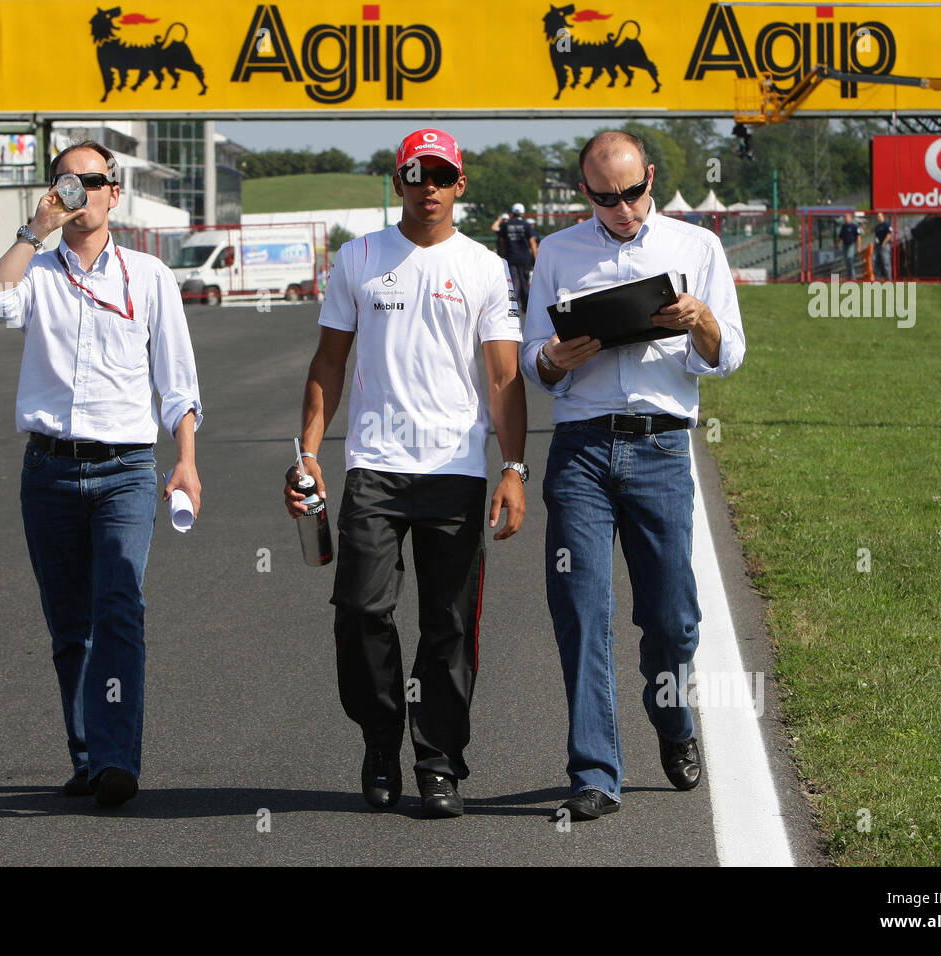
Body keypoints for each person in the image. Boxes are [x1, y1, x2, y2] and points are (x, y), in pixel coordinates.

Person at [284, 128, 528, 819]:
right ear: (397, 182)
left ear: (460, 184)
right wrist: (306, 451)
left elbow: (505, 376)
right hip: (375, 467)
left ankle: (437, 762)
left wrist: (512, 468)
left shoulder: (484, 266)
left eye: (441, 175)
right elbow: (329, 363)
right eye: (415, 175)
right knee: (361, 612)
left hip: (456, 468)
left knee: (449, 625)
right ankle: (380, 737)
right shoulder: (358, 259)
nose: (428, 187)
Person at [521, 130, 745, 822]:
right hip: (583, 448)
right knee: (583, 611)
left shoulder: (696, 248)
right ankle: (594, 771)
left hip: (661, 448)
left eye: (633, 192)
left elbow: (728, 354)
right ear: (584, 192)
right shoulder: (557, 253)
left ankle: (673, 722)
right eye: (605, 197)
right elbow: (535, 361)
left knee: (673, 621)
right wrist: (558, 357)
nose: (622, 208)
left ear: (650, 177)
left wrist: (700, 319)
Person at [0, 140, 203, 809]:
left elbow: (177, 383)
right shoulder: (36, 272)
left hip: (126, 469)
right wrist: (31, 229)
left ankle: (114, 760)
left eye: (91, 182)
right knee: (71, 624)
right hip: (48, 469)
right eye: (65, 183)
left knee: (120, 611)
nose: (79, 193)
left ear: (113, 193)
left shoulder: (150, 276)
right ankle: (84, 754)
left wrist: (184, 461)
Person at [497, 202, 540, 313]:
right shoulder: (526, 225)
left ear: (513, 213)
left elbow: (502, 242)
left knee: (513, 282)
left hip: (510, 257)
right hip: (524, 258)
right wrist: (535, 258)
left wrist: (501, 256)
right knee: (525, 282)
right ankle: (526, 307)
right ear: (522, 213)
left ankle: (512, 305)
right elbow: (533, 243)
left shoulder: (506, 225)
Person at [838, 211, 861, 280]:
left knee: (850, 259)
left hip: (851, 245)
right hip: (845, 245)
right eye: (844, 217)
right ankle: (849, 277)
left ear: (850, 218)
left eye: (846, 217)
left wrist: (858, 247)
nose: (845, 218)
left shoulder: (854, 226)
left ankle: (853, 278)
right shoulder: (843, 227)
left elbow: (859, 237)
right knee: (847, 262)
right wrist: (836, 245)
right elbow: (840, 237)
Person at [872, 212, 893, 281]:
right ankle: (878, 277)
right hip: (877, 246)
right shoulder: (877, 227)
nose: (878, 218)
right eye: (877, 216)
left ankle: (889, 279)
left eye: (880, 216)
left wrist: (884, 243)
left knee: (886, 262)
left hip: (885, 245)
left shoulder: (886, 225)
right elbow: (876, 236)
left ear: (883, 217)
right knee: (873, 260)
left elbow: (889, 235)